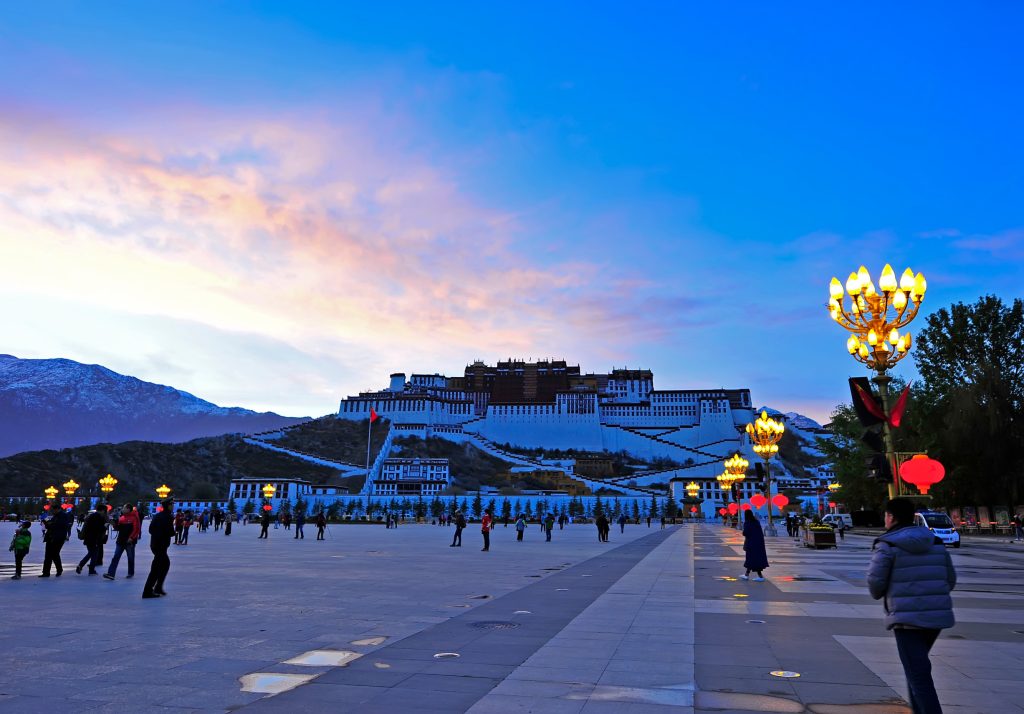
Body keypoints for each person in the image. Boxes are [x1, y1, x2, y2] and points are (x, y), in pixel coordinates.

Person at [867, 498, 956, 714]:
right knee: (916, 669)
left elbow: (875, 582)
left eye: (887, 515)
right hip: (935, 618)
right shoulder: (934, 541)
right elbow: (950, 578)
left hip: (906, 619)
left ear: (892, 517)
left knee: (918, 675)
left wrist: (883, 593)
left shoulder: (887, 544)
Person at [143, 499, 175, 599]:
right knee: (156, 568)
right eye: (172, 504)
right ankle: (147, 591)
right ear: (169, 506)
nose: (173, 506)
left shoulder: (157, 515)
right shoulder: (168, 516)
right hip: (161, 545)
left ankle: (158, 587)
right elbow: (171, 532)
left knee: (165, 564)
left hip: (155, 545)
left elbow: (150, 529)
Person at [104, 504, 140, 580]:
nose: (122, 509)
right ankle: (111, 574)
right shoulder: (122, 518)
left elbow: (136, 529)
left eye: (124, 508)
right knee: (115, 557)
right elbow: (118, 528)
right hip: (120, 541)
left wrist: (131, 538)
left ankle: (130, 572)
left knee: (130, 558)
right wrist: (113, 524)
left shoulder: (134, 518)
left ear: (128, 509)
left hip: (129, 542)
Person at [76, 504, 108, 575]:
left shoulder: (91, 516)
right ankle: (84, 566)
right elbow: (97, 528)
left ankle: (88, 568)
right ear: (102, 510)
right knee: (93, 553)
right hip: (94, 538)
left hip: (88, 538)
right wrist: (105, 526)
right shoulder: (98, 517)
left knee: (92, 553)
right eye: (105, 511)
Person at [39, 504, 69, 577]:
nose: (54, 511)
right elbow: (50, 526)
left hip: (58, 538)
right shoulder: (55, 516)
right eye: (53, 510)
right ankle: (46, 572)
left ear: (58, 509)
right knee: (48, 555)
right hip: (51, 537)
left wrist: (49, 524)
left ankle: (59, 569)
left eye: (55, 510)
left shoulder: (63, 516)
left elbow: (58, 526)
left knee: (54, 554)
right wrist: (47, 523)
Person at [741, 510, 769, 581]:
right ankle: (748, 575)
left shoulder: (747, 522)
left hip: (751, 543)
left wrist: (743, 532)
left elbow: (746, 533)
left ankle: (759, 576)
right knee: (754, 559)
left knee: (751, 559)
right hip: (758, 543)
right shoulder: (756, 522)